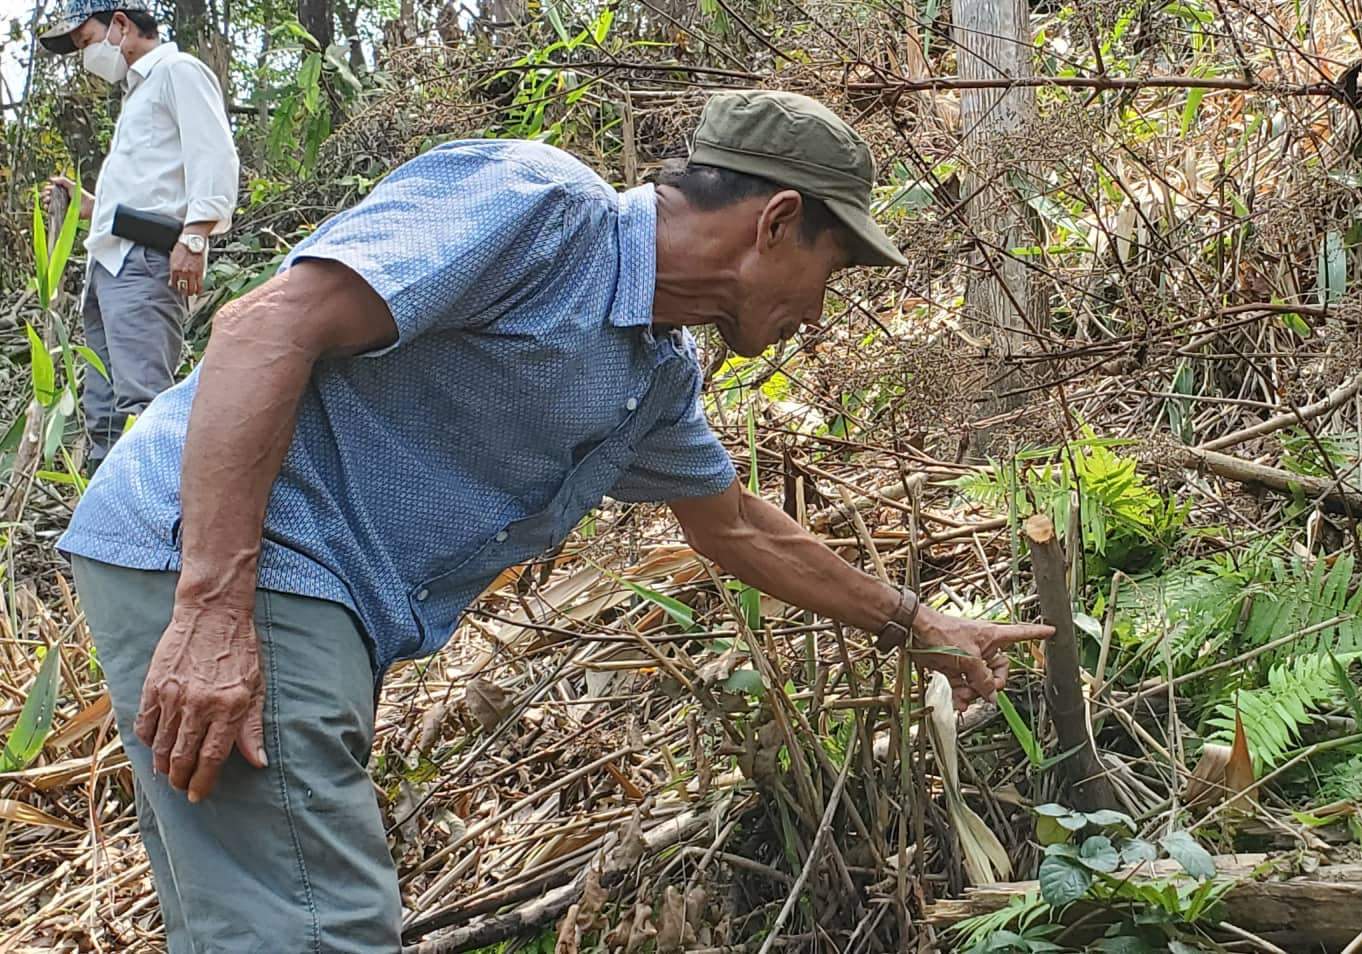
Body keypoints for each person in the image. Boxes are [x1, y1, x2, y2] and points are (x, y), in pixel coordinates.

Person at [54, 88, 1050, 952]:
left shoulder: (651, 376)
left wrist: (919, 626)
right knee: (319, 929)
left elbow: (733, 528)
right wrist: (216, 607)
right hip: (240, 557)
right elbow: (265, 325)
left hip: (282, 589)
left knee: (253, 916)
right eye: (830, 276)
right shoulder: (534, 207)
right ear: (775, 222)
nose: (819, 317)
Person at [38, 0, 239, 473]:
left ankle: (152, 533)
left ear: (122, 25)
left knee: (143, 407)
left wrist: (194, 239)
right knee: (106, 413)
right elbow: (154, 185)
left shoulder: (176, 71)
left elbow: (215, 157)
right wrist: (89, 206)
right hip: (109, 263)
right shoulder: (137, 93)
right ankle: (106, 537)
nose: (86, 56)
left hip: (145, 263)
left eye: (86, 42)